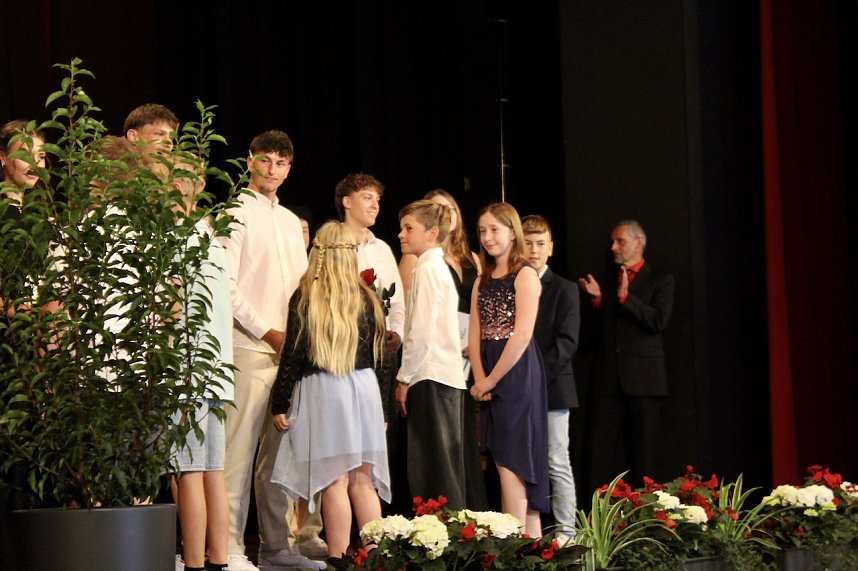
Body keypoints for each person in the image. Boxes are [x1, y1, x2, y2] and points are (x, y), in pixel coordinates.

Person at [219, 131, 323, 571]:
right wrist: (269, 333)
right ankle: (227, 548)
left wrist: (299, 340)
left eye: (282, 162)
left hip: (288, 355)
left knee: (282, 460)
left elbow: (301, 288)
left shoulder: (287, 221)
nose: (273, 169)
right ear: (250, 162)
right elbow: (225, 286)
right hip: (249, 348)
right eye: (266, 160)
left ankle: (277, 547)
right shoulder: (233, 212)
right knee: (236, 454)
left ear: (289, 169)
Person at [270, 221, 391, 561]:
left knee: (335, 481)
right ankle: (376, 556)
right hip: (364, 390)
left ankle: (338, 558)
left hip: (325, 391)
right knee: (363, 482)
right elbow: (383, 360)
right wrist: (382, 408)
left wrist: (279, 402)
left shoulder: (307, 296)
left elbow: (292, 355)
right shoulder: (367, 297)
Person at [397, 189, 486, 510]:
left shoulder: (427, 268)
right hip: (447, 376)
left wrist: (404, 378)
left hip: (430, 376)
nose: (401, 235)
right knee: (446, 461)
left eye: (409, 228)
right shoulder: (434, 267)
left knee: (433, 467)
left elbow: (419, 330)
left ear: (432, 233)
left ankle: (445, 538)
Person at [469, 202, 549, 537]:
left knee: (513, 459)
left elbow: (522, 335)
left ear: (512, 233)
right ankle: (529, 546)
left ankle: (514, 544)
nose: (487, 238)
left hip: (515, 372)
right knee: (502, 459)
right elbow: (475, 333)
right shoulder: (482, 280)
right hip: (488, 369)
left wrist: (490, 378)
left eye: (495, 230)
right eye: (483, 231)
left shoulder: (525, 275)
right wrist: (478, 377)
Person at [578, 220, 674, 488]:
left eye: (619, 241)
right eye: (613, 241)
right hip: (608, 379)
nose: (613, 247)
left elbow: (658, 321)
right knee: (599, 451)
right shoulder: (608, 280)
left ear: (638, 242)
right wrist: (598, 301)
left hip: (644, 381)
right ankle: (596, 516)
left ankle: (646, 515)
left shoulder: (660, 280)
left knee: (645, 455)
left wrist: (626, 299)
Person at [170, 162, 232, 571]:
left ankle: (193, 562)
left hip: (186, 365)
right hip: (215, 367)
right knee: (212, 469)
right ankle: (218, 559)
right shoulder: (211, 235)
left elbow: (174, 301)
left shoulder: (179, 235)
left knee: (187, 468)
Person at [0, 119, 47, 571]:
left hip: (37, 348)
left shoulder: (43, 213)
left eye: (41, 153)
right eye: (23, 152)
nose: (34, 162)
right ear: (2, 158)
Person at [521, 215, 580, 544]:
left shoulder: (565, 289)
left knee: (557, 460)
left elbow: (567, 343)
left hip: (553, 388)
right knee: (522, 460)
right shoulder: (514, 283)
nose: (534, 250)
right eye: (528, 243)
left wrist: (535, 378)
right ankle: (529, 531)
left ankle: (566, 532)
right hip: (518, 390)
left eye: (541, 243)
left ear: (551, 248)